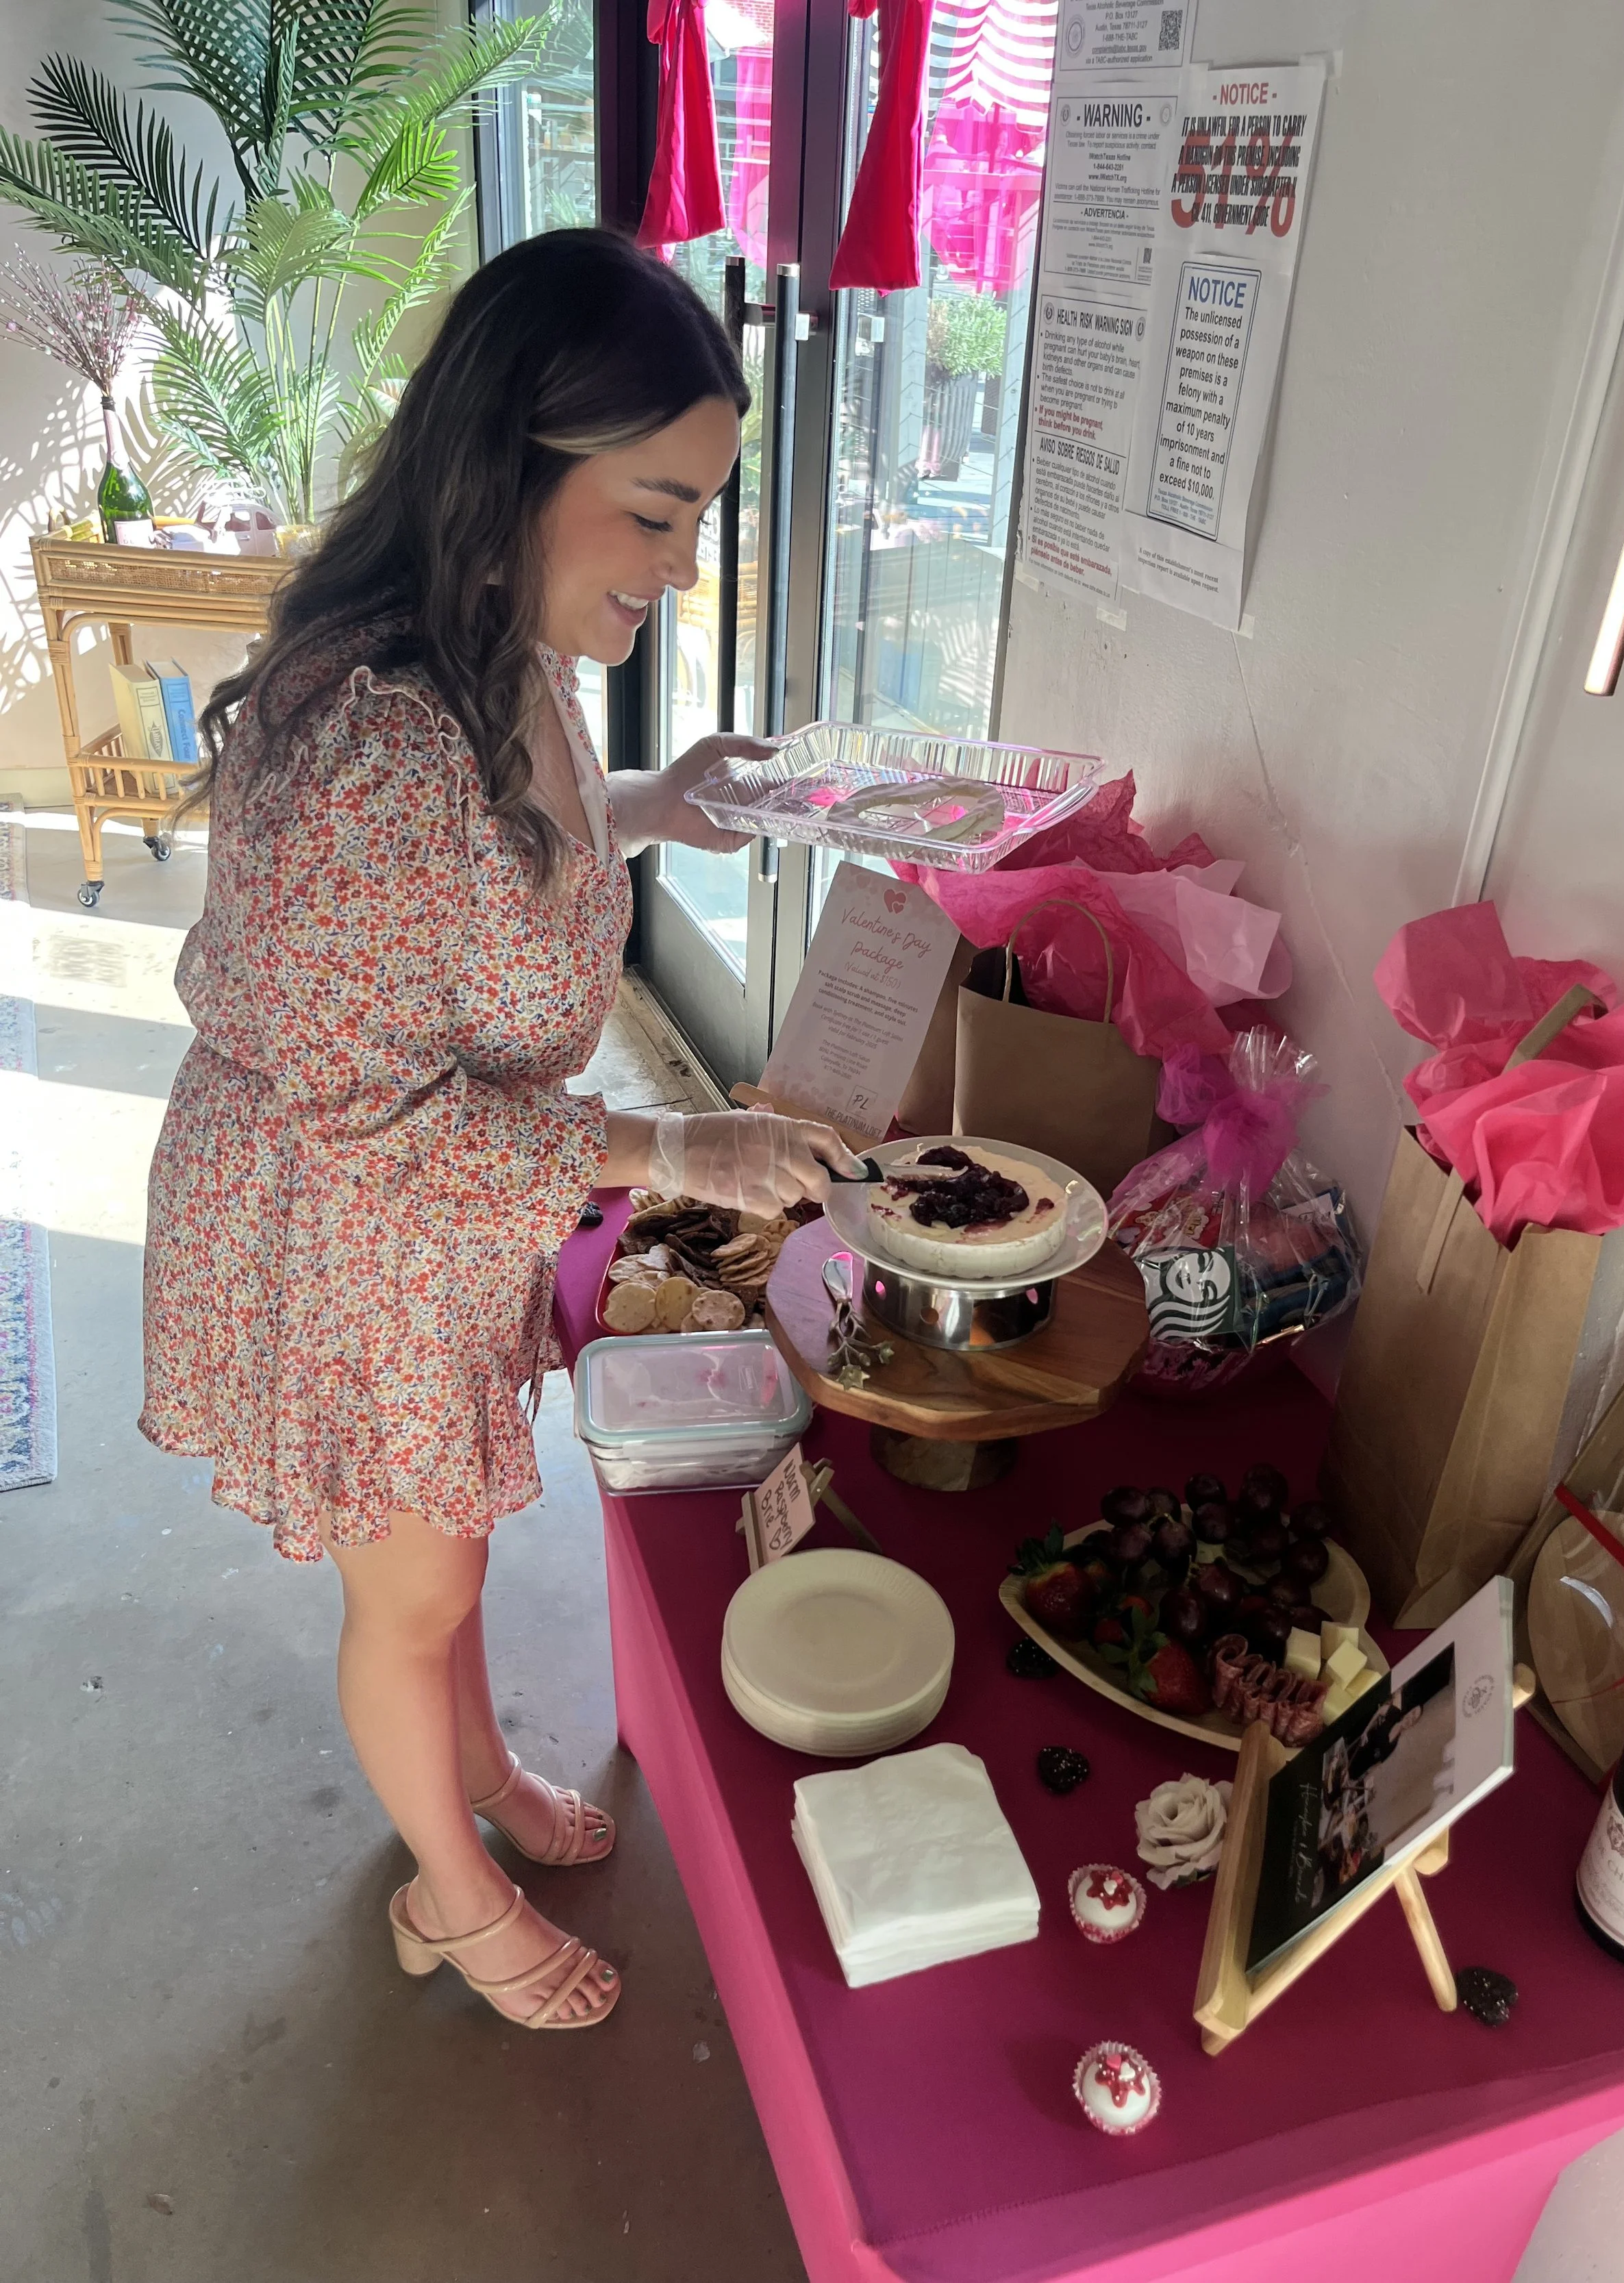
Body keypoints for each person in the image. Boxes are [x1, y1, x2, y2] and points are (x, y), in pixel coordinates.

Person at [139, 230, 862, 2033]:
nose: (678, 566)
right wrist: (684, 1155)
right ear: (518, 466)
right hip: (351, 1212)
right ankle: (450, 1899)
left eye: (698, 516)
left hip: (428, 1201)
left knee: (447, 1537)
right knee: (412, 1585)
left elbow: (498, 855)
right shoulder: (376, 739)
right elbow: (378, 1119)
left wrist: (655, 803)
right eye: (653, 511)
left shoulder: (493, 648)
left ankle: (477, 1768)